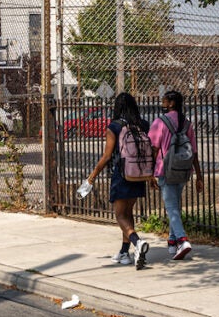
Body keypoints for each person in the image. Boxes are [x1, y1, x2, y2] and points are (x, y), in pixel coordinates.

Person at [86, 92, 151, 269]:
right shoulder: (143, 124)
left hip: (122, 174)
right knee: (129, 213)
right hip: (139, 175)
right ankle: (124, 252)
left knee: (120, 215)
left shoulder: (114, 126)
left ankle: (137, 243)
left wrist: (92, 176)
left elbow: (107, 156)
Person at [148, 90, 203, 259]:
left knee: (171, 207)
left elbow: (154, 149)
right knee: (175, 205)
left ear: (171, 103)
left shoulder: (159, 122)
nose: (162, 103)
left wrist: (150, 172)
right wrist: (199, 177)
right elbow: (193, 152)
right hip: (184, 170)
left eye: (164, 101)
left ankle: (182, 239)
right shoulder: (187, 124)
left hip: (166, 170)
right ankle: (172, 242)